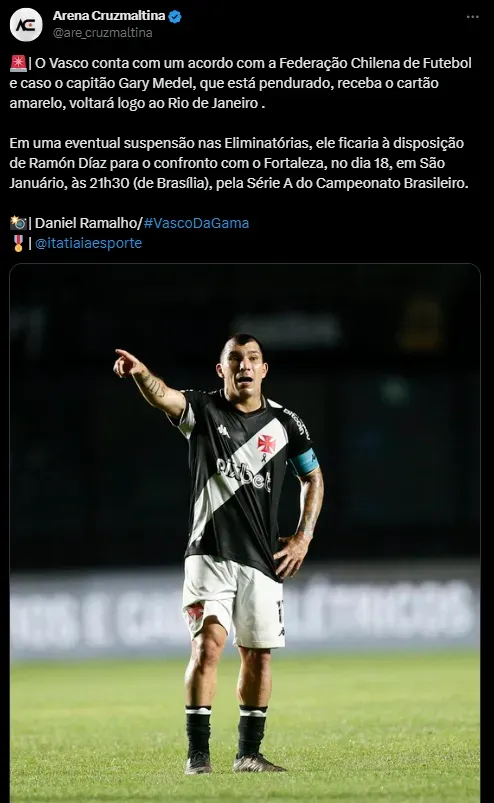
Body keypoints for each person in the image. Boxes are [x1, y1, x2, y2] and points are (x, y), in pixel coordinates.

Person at [113, 333, 324, 774]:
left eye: (253, 358)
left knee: (258, 654)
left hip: (263, 558)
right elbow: (163, 395)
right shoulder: (203, 410)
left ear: (264, 369)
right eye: (235, 358)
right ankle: (198, 755)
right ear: (221, 369)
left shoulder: (285, 424)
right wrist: (141, 374)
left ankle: (249, 754)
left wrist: (303, 537)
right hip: (209, 552)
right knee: (208, 645)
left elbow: (313, 477)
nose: (244, 365)